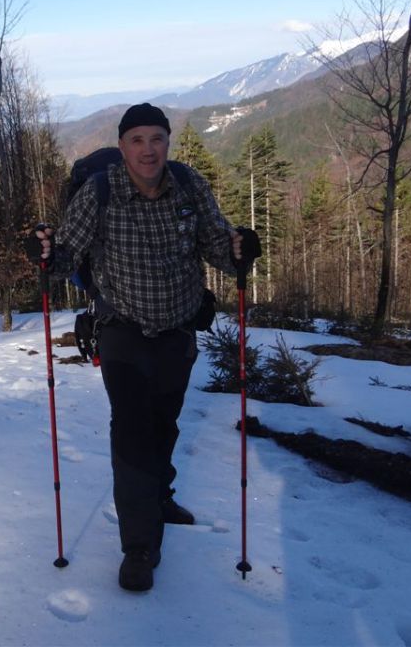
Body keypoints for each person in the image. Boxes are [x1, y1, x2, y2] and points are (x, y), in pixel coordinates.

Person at [27, 103, 258, 591]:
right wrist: (46, 252)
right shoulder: (100, 192)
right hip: (122, 330)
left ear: (167, 142)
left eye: (157, 138)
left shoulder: (189, 185)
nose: (148, 149)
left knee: (164, 422)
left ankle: (159, 497)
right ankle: (139, 546)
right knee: (132, 430)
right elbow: (67, 251)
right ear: (123, 145)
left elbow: (217, 245)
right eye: (137, 140)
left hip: (177, 331)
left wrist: (239, 249)